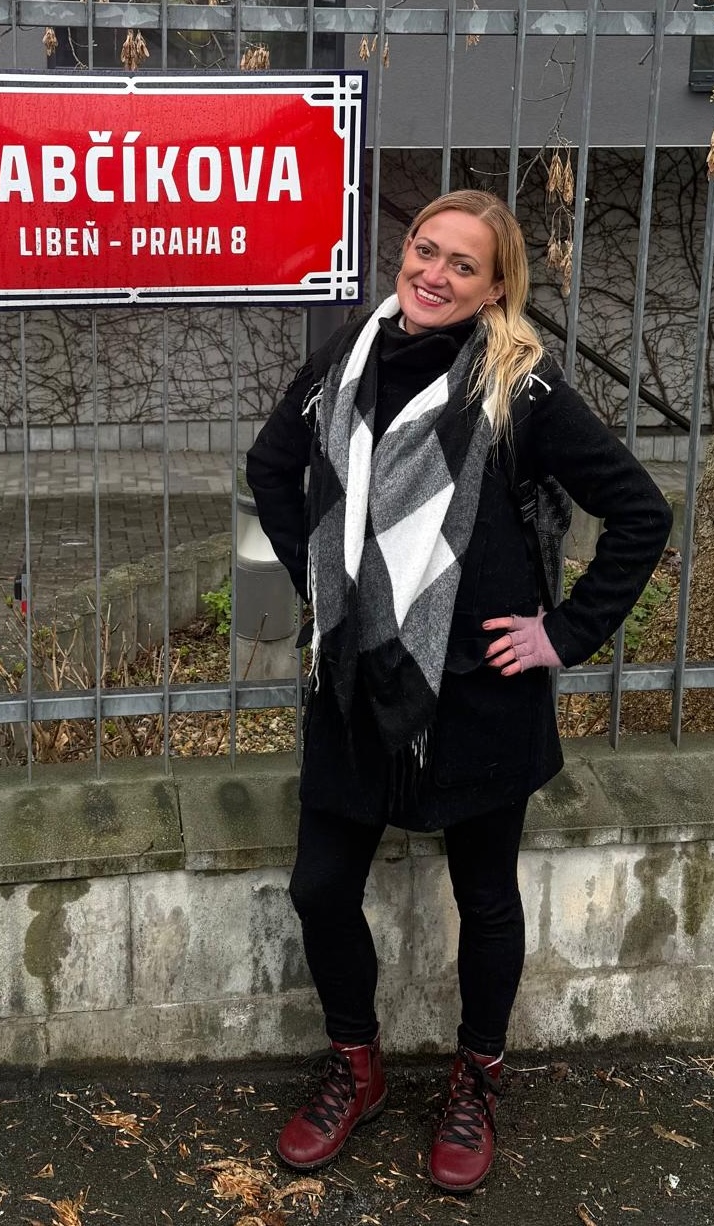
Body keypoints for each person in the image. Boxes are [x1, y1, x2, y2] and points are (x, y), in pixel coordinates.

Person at [245, 189, 672, 1193]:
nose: (430, 274)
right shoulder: (350, 356)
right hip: (355, 679)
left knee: (482, 898)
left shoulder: (516, 386)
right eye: (420, 250)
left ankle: (476, 1075)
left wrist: (562, 632)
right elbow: (271, 464)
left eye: (459, 264)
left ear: (495, 286)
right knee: (319, 886)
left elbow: (637, 512)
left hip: (477, 690)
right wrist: (326, 582)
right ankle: (357, 1064)